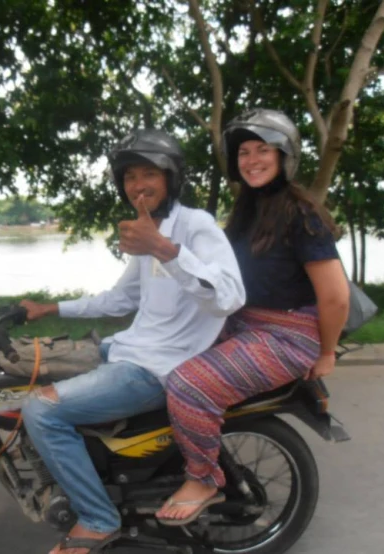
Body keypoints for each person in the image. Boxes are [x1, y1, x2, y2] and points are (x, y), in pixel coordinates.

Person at [20, 128, 246, 554]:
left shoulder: (195, 226)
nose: (138, 185)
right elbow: (122, 298)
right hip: (128, 348)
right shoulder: (151, 231)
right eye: (128, 177)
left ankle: (98, 519)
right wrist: (53, 309)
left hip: (157, 368)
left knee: (41, 409)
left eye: (148, 174)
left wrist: (164, 248)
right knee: (29, 369)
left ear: (171, 177)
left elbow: (231, 296)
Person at [155, 108, 350, 526]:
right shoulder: (246, 211)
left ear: (285, 156)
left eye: (264, 149)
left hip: (287, 336)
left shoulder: (301, 215)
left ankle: (204, 479)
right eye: (244, 151)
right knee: (157, 354)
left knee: (189, 383)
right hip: (245, 324)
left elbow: (335, 297)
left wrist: (328, 353)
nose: (252, 159)